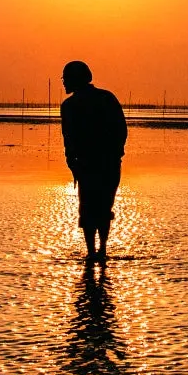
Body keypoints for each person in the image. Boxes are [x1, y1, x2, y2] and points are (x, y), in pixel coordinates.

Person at [60, 60, 128, 264]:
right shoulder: (107, 98)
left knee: (88, 208)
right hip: (107, 164)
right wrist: (115, 154)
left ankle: (93, 252)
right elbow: (122, 130)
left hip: (91, 165)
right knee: (104, 207)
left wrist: (74, 162)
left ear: (75, 79)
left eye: (66, 79)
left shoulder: (70, 106)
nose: (64, 83)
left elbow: (69, 140)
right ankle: (101, 251)